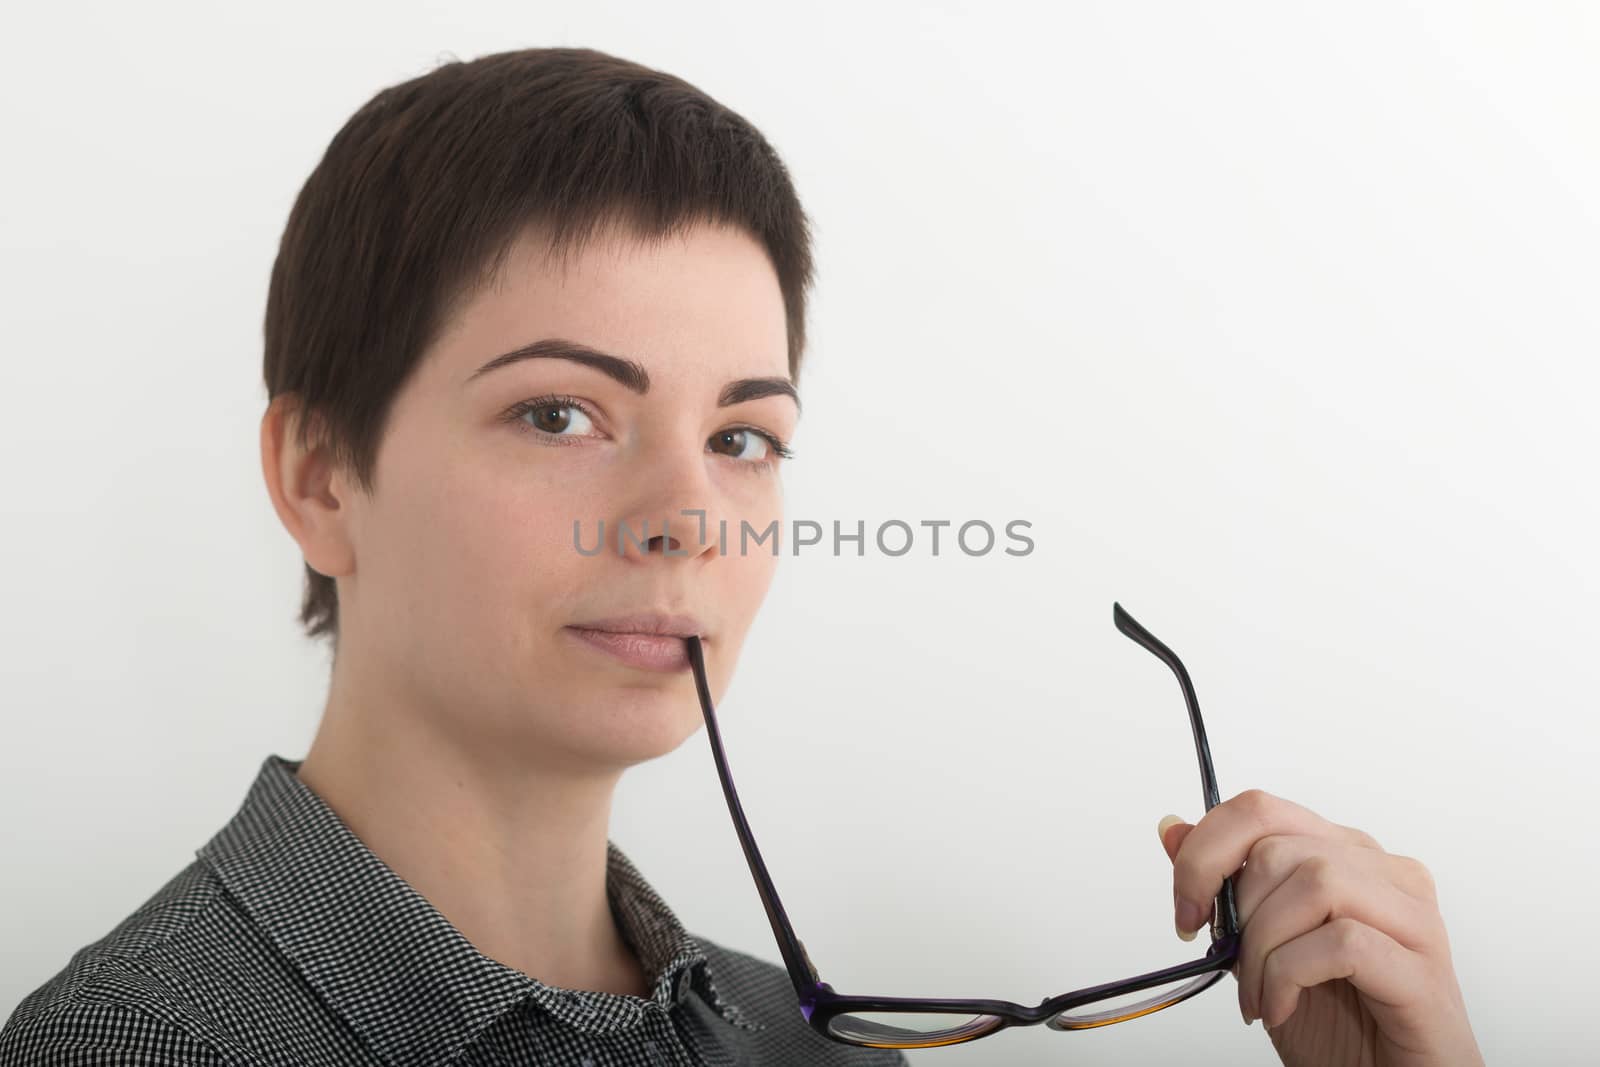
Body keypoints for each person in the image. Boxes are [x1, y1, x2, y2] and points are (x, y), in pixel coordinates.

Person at [0, 46, 1483, 1067]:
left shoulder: (804, 1038)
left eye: (744, 437)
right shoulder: (122, 1048)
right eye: (562, 411)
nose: (685, 516)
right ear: (321, 477)